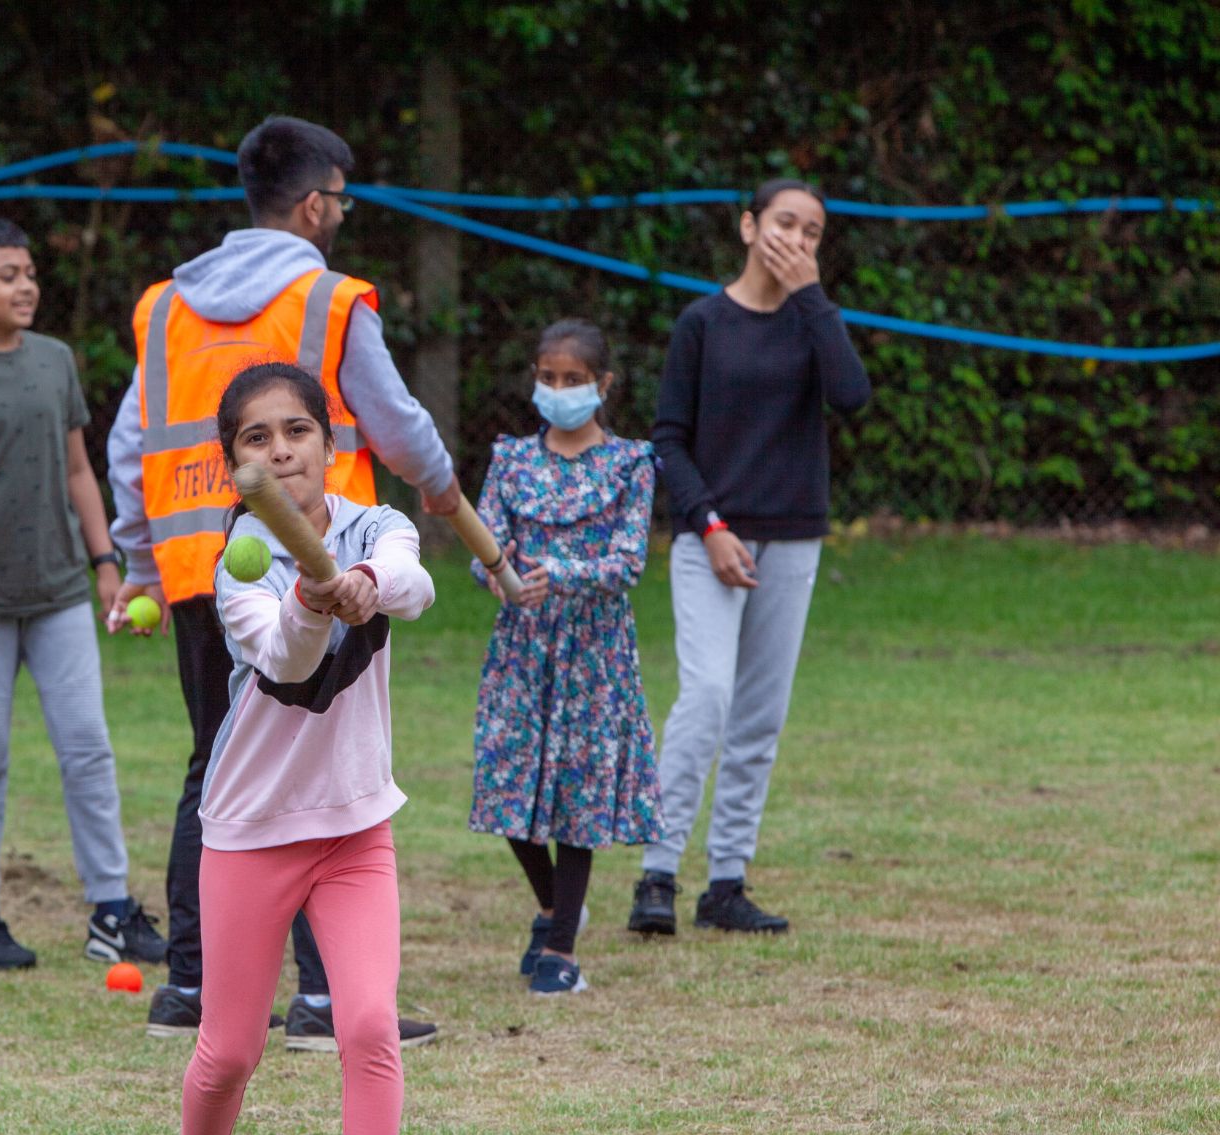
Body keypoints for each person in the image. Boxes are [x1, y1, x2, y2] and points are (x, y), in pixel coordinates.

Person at [107, 115, 455, 1049]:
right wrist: (446, 494)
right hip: (316, 560)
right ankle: (321, 999)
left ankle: (191, 985)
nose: (340, 214)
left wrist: (139, 563)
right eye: (340, 199)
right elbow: (397, 421)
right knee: (317, 756)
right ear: (314, 203)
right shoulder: (331, 298)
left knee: (213, 760)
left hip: (194, 560)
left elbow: (129, 443)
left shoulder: (164, 307)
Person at [140, 363, 432, 1135]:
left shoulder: (371, 521)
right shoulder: (237, 563)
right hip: (250, 830)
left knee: (369, 1026)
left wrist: (364, 583)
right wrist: (316, 600)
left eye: (295, 430)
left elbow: (415, 579)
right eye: (255, 439)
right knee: (227, 1052)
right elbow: (285, 660)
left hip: (354, 828)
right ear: (233, 466)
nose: (279, 450)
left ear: (329, 444)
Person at [0, 217, 162, 973]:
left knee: (88, 747)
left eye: (30, 272)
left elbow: (80, 470)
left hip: (58, 595)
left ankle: (111, 908)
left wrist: (105, 560)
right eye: (7, 275)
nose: (26, 286)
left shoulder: (54, 361)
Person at [629, 178, 871, 936]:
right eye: (784, 223)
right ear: (747, 226)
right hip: (713, 541)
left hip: (792, 537)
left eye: (812, 231)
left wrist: (813, 299)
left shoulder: (813, 321)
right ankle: (657, 874)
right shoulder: (702, 322)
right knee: (706, 697)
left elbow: (852, 394)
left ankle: (725, 881)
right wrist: (708, 524)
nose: (796, 240)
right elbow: (669, 437)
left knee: (760, 715)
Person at [470, 320, 662, 995]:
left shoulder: (631, 464)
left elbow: (628, 560)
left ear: (602, 385)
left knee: (577, 794)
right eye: (547, 377)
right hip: (522, 650)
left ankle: (560, 948)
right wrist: (490, 571)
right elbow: (484, 540)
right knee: (504, 780)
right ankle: (554, 905)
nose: (557, 390)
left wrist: (560, 571)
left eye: (572, 379)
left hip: (594, 655)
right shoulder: (511, 459)